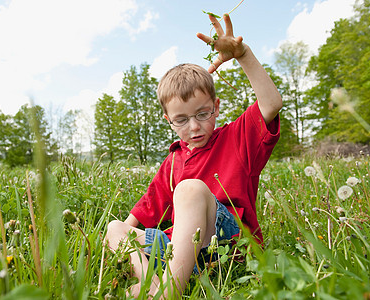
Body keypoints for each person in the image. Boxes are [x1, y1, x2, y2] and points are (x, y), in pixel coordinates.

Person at [105, 12, 282, 299]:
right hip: (179, 248)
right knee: (114, 228)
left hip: (227, 244)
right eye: (182, 120)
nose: (195, 126)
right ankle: (151, 281)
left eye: (203, 114)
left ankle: (169, 292)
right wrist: (115, 239)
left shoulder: (237, 138)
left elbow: (272, 103)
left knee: (190, 189)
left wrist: (243, 55)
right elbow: (143, 211)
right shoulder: (173, 160)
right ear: (168, 120)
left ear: (217, 106)